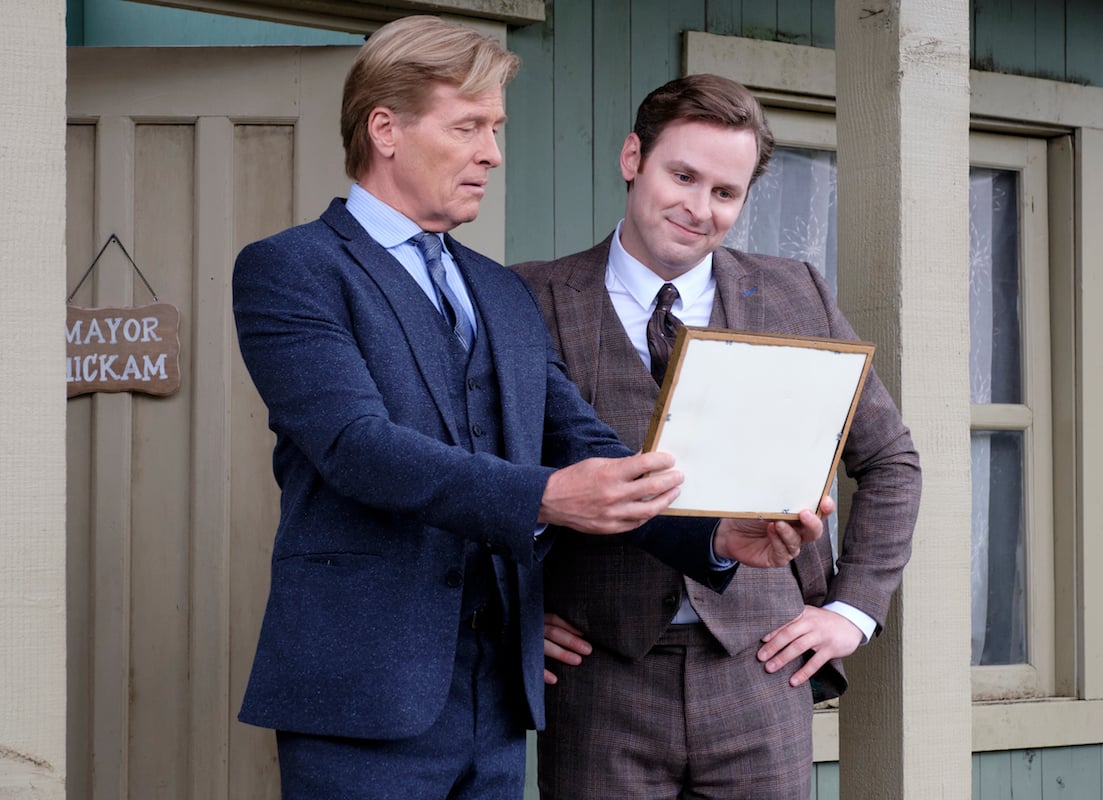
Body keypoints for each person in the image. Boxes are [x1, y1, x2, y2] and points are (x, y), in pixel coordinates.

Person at [231, 19, 821, 800]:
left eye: (498, 129)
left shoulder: (500, 292)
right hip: (360, 696)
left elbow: (586, 444)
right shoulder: (291, 270)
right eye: (468, 126)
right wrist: (543, 497)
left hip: (502, 704)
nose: (492, 154)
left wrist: (713, 533)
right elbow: (355, 446)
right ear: (386, 130)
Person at [512, 73, 922, 800]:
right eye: (683, 176)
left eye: (725, 193)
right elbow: (481, 471)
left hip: (762, 670)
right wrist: (510, 611)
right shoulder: (528, 298)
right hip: (598, 679)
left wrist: (852, 611)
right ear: (633, 157)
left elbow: (889, 459)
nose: (699, 209)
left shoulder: (798, 292)